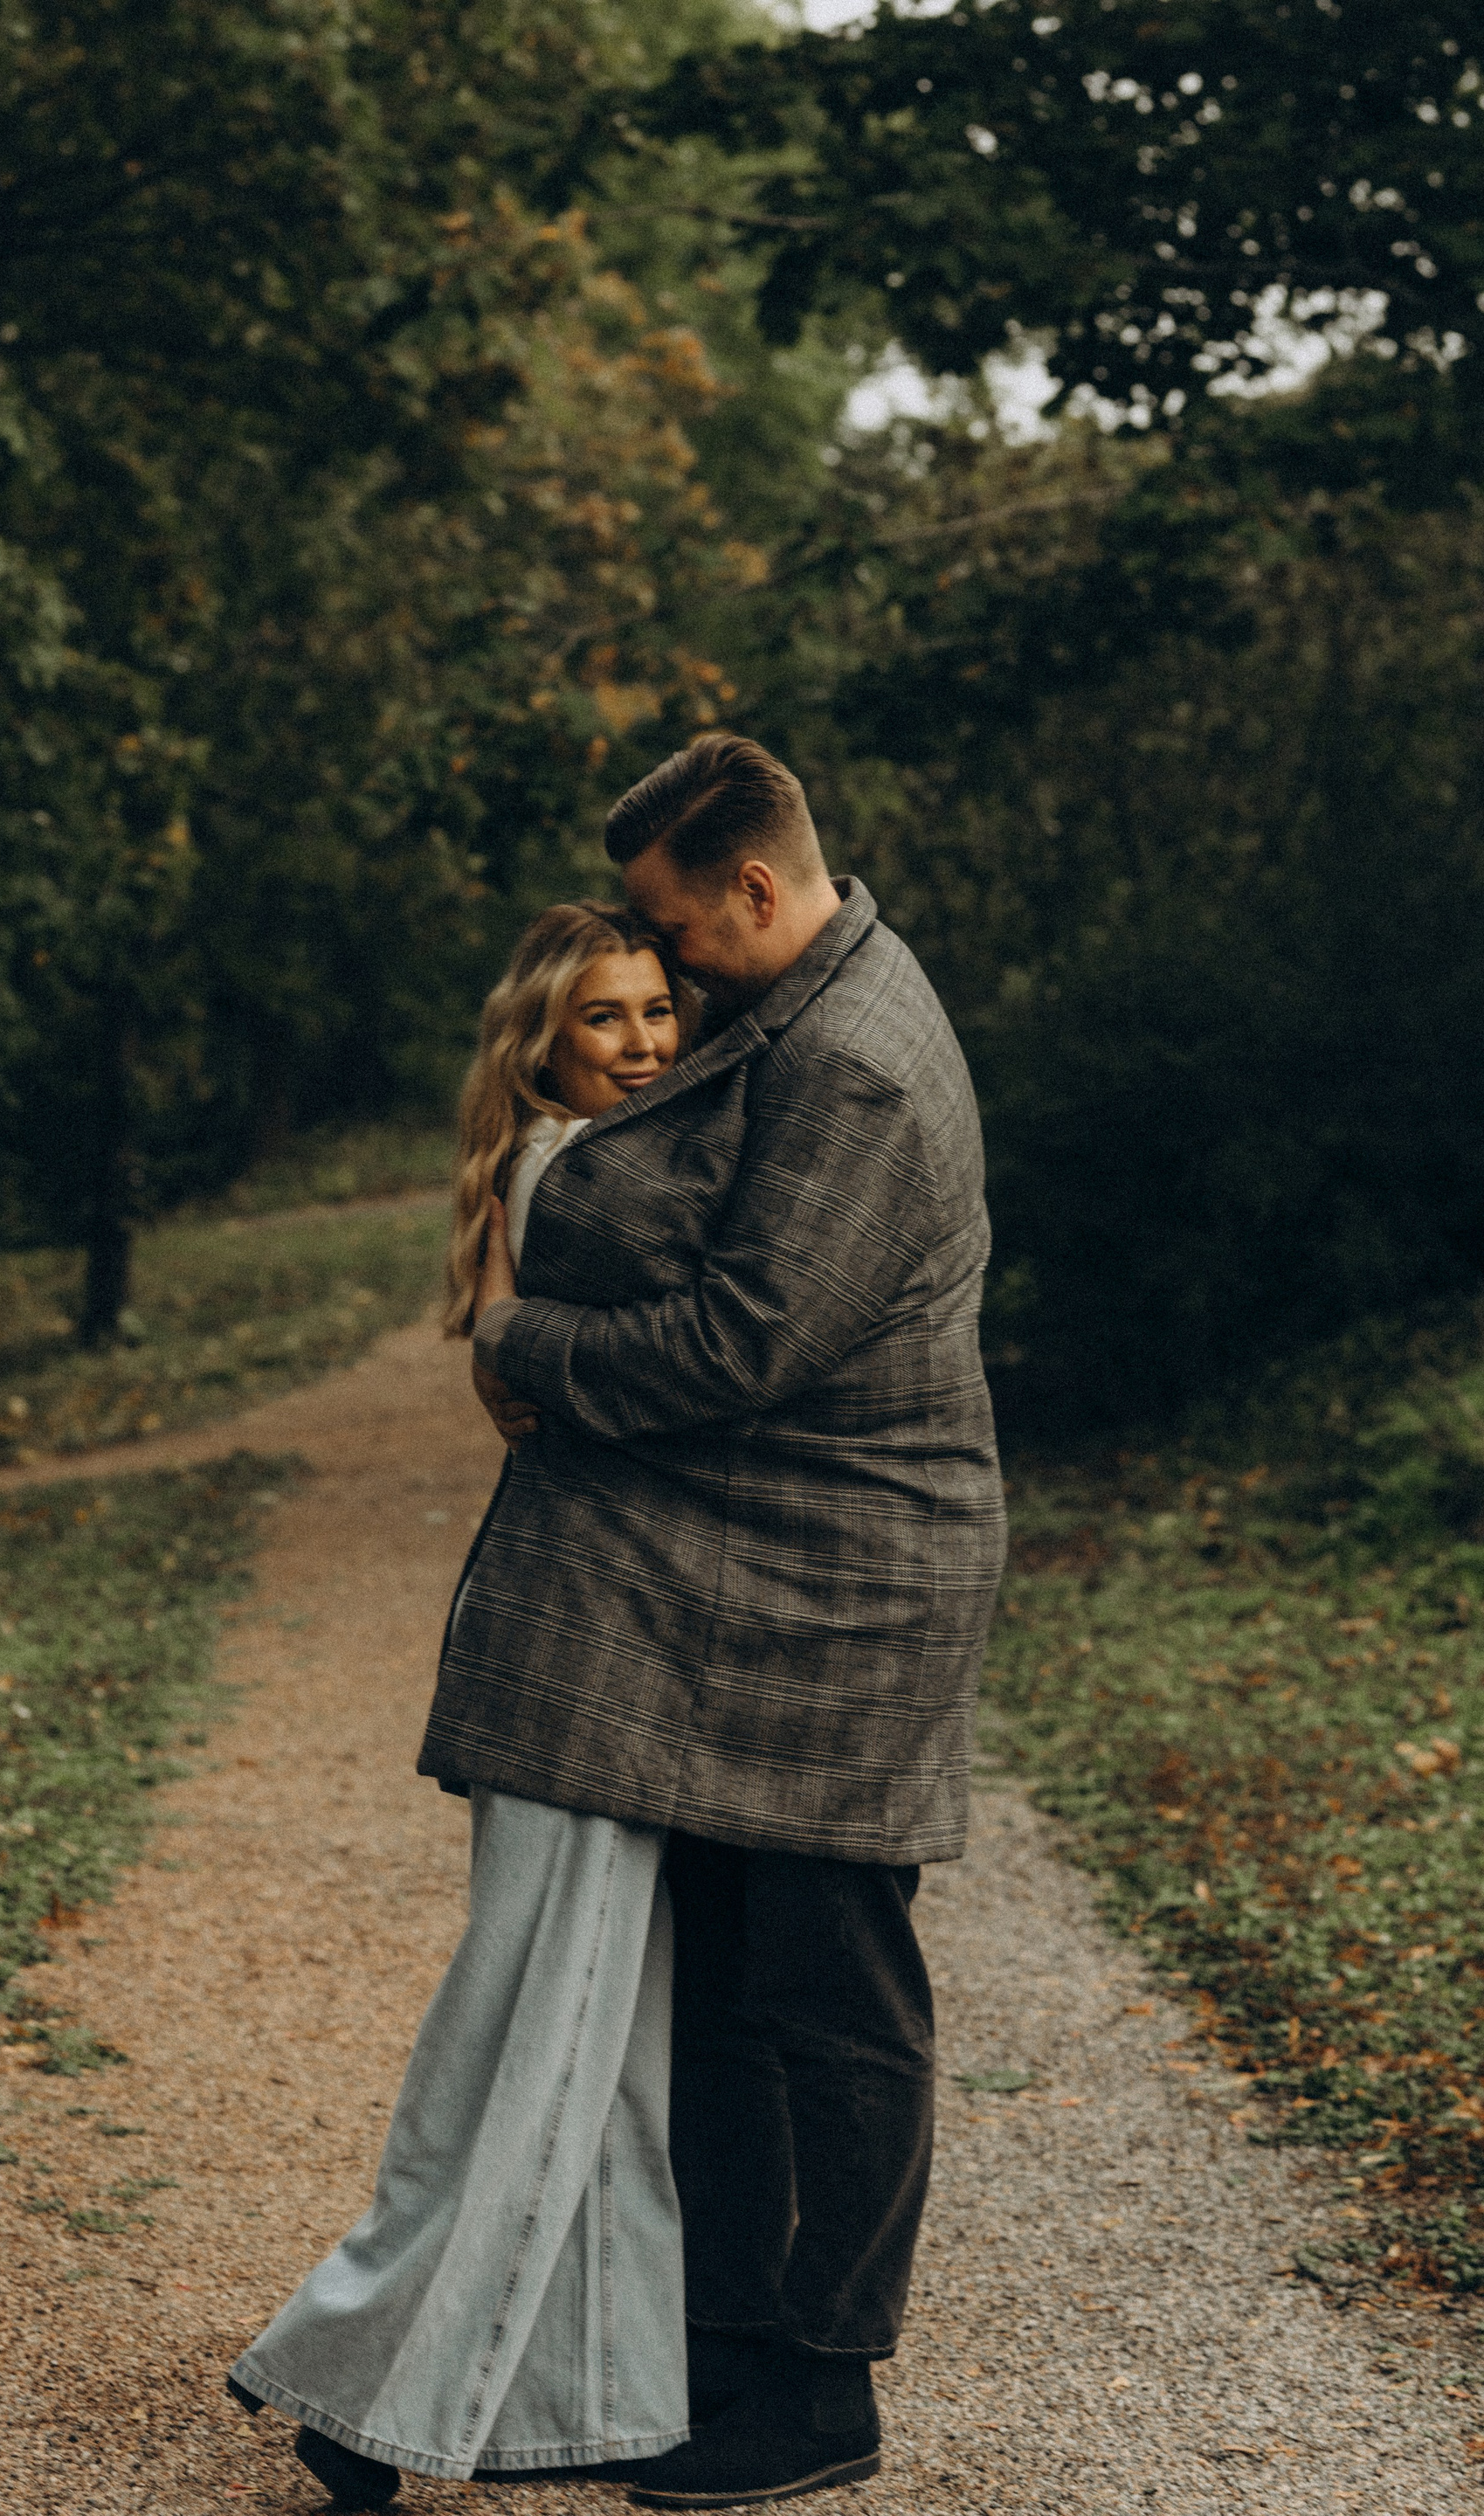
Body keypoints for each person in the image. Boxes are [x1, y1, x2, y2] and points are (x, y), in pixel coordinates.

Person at [423, 734, 1007, 2511]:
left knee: (835, 1994)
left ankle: (826, 2388)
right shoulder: (792, 1001)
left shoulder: (858, 1063)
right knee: (733, 1986)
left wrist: (519, 1342)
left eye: (676, 928)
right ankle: (722, 2341)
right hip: (754, 1566)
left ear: (755, 885)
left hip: (855, 1585)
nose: (666, 967)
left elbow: (743, 1340)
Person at [227, 903, 699, 2513]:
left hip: (596, 1647)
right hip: (577, 1660)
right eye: (604, 1019)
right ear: (543, 1046)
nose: (644, 1043)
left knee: (599, 2042)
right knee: (541, 2033)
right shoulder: (583, 1179)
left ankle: (586, 2400)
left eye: (659, 1009)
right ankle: (353, 2386)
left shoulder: (561, 1168)